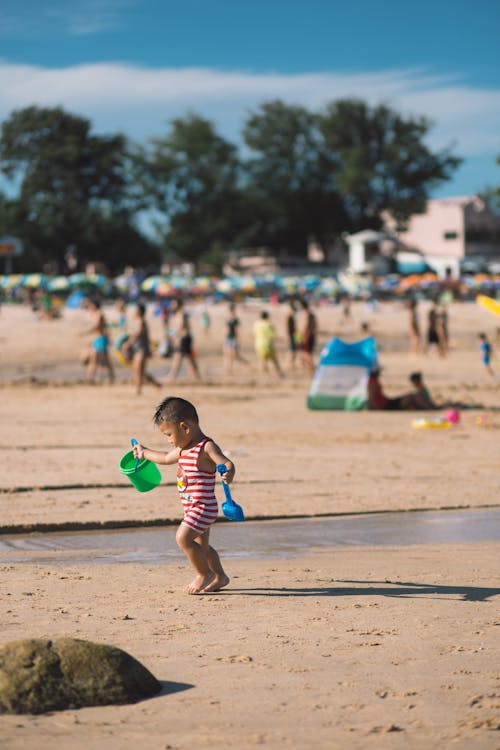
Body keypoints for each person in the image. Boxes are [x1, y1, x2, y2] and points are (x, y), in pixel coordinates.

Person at [133, 396, 233, 594]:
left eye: (169, 434)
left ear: (185, 427)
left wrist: (228, 471)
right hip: (192, 508)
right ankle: (220, 576)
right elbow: (164, 457)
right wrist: (144, 453)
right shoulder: (182, 448)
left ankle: (204, 574)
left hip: (203, 507)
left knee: (182, 538)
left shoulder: (206, 447)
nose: (169, 440)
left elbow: (226, 462)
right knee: (202, 548)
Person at [125, 302, 161, 395]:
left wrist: (128, 344)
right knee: (139, 371)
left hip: (142, 349)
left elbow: (138, 334)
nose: (134, 312)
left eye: (136, 310)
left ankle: (138, 390)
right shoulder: (136, 321)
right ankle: (156, 384)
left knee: (138, 370)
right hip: (136, 348)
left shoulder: (141, 321)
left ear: (140, 311)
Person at [80, 298, 115, 384]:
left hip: (101, 339)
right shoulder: (95, 314)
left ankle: (90, 378)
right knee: (105, 360)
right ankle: (111, 377)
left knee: (94, 359)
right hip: (98, 339)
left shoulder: (99, 314)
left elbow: (97, 327)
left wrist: (84, 333)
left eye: (91, 305)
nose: (89, 307)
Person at [367, 366, 431, 411]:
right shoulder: (373, 382)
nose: (380, 372)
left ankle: (430, 407)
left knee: (411, 398)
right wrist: (375, 408)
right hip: (385, 405)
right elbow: (372, 397)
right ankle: (430, 408)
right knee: (411, 397)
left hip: (386, 403)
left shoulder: (373, 381)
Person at [168, 311, 201, 381]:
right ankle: (196, 376)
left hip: (184, 338)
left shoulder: (180, 314)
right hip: (186, 338)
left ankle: (172, 376)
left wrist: (174, 335)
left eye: (173, 304)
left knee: (178, 357)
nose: (171, 306)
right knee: (189, 358)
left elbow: (181, 326)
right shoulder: (181, 314)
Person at [253, 310, 284, 377]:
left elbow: (254, 334)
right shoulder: (269, 325)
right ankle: (280, 373)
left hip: (259, 344)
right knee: (274, 360)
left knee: (263, 360)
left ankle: (264, 375)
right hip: (268, 344)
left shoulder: (256, 324)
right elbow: (273, 336)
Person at [223, 302, 248, 374]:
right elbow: (225, 329)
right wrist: (224, 339)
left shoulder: (235, 319)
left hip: (233, 338)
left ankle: (246, 364)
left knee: (234, 355)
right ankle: (228, 369)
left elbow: (237, 330)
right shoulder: (227, 318)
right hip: (228, 338)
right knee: (227, 354)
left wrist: (238, 340)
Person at [297, 298, 317, 373]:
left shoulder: (306, 314)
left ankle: (313, 368)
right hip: (307, 335)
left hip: (304, 335)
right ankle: (311, 369)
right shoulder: (310, 314)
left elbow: (304, 326)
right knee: (304, 354)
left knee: (303, 353)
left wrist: (299, 336)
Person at [285, 299, 298, 370]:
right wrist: (288, 336)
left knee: (294, 350)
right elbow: (287, 327)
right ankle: (289, 364)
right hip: (291, 335)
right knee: (292, 351)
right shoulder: (289, 316)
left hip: (294, 335)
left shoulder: (292, 316)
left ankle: (291, 364)